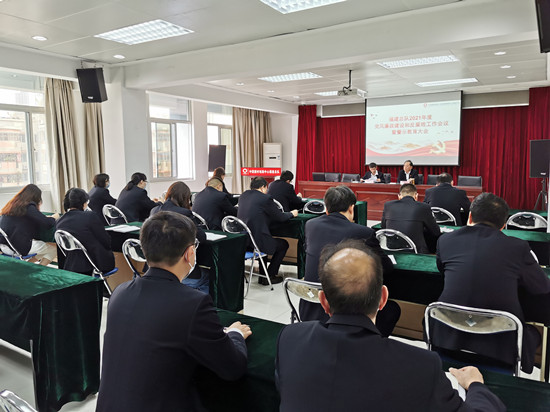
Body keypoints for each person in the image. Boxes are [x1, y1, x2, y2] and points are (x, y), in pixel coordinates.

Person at [276, 239, 505, 412]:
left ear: (323, 301)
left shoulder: (289, 339)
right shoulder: (422, 366)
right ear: (383, 299)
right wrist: (475, 384)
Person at [97, 212, 250, 411]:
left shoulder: (120, 293)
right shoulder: (193, 303)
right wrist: (235, 334)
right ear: (189, 253)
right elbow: (232, 368)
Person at [434, 193, 550, 373]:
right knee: (535, 333)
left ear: (470, 217)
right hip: (499, 347)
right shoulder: (518, 247)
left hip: (447, 338)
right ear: (503, 225)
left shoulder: (445, 240)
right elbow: (542, 287)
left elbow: (443, 270)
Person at [299, 185, 399, 337]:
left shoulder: (310, 225)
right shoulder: (363, 232)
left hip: (310, 307)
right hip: (344, 312)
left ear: (327, 209)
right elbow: (386, 267)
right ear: (352, 208)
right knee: (392, 310)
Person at [237, 177, 298, 285]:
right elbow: (280, 217)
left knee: (263, 239)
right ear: (262, 187)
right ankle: (270, 275)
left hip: (244, 241)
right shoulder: (265, 198)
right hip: (258, 242)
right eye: (266, 188)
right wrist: (292, 214)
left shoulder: (243, 196)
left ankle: (263, 275)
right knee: (283, 244)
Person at [151, 181, 208, 292]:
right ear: (185, 198)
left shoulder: (154, 211)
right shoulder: (184, 213)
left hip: (157, 270)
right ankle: (200, 302)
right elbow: (202, 237)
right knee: (207, 277)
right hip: (181, 271)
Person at [55, 188, 115, 275]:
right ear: (83, 203)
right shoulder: (90, 216)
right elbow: (106, 241)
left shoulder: (60, 221)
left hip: (71, 265)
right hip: (95, 264)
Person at [0, 184, 58, 265]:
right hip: (18, 248)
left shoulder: (11, 205)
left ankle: (27, 267)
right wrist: (54, 218)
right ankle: (34, 269)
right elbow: (47, 223)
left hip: (5, 247)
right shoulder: (28, 206)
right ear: (36, 198)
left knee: (45, 247)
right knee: (54, 248)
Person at [381, 183, 440, 254]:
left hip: (392, 249)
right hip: (415, 251)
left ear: (399, 196)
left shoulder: (388, 205)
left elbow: (383, 227)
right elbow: (436, 231)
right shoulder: (423, 207)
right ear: (416, 196)